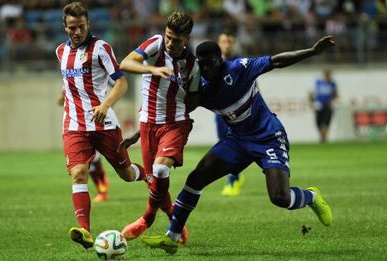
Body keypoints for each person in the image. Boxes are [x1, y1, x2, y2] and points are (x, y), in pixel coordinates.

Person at [141, 36, 335, 254]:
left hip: (268, 136)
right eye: (202, 65)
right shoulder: (199, 86)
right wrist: (137, 134)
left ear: (220, 60)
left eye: (210, 64)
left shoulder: (240, 68)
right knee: (195, 179)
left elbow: (277, 61)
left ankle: (312, 196)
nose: (206, 69)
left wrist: (311, 51)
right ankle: (172, 237)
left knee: (280, 198)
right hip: (237, 141)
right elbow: (169, 111)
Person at [55, 2, 147, 249]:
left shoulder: (101, 48)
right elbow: (69, 80)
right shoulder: (60, 52)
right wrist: (63, 94)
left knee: (126, 174)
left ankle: (149, 175)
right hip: (74, 124)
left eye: (81, 26)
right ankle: (84, 230)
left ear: (88, 25)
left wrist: (105, 105)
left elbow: (121, 83)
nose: (77, 32)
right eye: (72, 27)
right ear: (65, 27)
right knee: (78, 173)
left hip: (103, 123)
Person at [118, 11, 200, 243]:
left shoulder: (192, 65)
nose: (171, 43)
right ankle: (175, 217)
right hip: (148, 125)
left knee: (161, 170)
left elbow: (193, 100)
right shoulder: (155, 44)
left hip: (176, 124)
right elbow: (125, 63)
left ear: (188, 38)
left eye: (177, 39)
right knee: (153, 181)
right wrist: (153, 69)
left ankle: (147, 219)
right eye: (169, 37)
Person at [57, 92, 109, 203]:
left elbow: (117, 83)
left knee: (94, 160)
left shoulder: (102, 76)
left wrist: (106, 104)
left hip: (98, 118)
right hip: (80, 122)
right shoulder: (71, 76)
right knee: (88, 162)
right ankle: (102, 191)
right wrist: (62, 96)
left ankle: (103, 191)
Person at [217, 32, 246, 197]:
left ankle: (232, 179)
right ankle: (234, 176)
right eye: (223, 41)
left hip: (237, 111)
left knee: (235, 145)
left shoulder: (240, 61)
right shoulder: (214, 62)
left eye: (229, 41)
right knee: (224, 143)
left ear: (233, 43)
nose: (226, 44)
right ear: (218, 43)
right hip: (220, 112)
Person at [309, 69, 338, 143]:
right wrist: (312, 102)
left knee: (326, 122)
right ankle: (322, 137)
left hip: (327, 106)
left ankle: (324, 138)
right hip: (319, 106)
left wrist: (332, 100)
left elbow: (335, 94)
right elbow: (311, 93)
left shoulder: (332, 84)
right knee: (318, 122)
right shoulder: (318, 83)